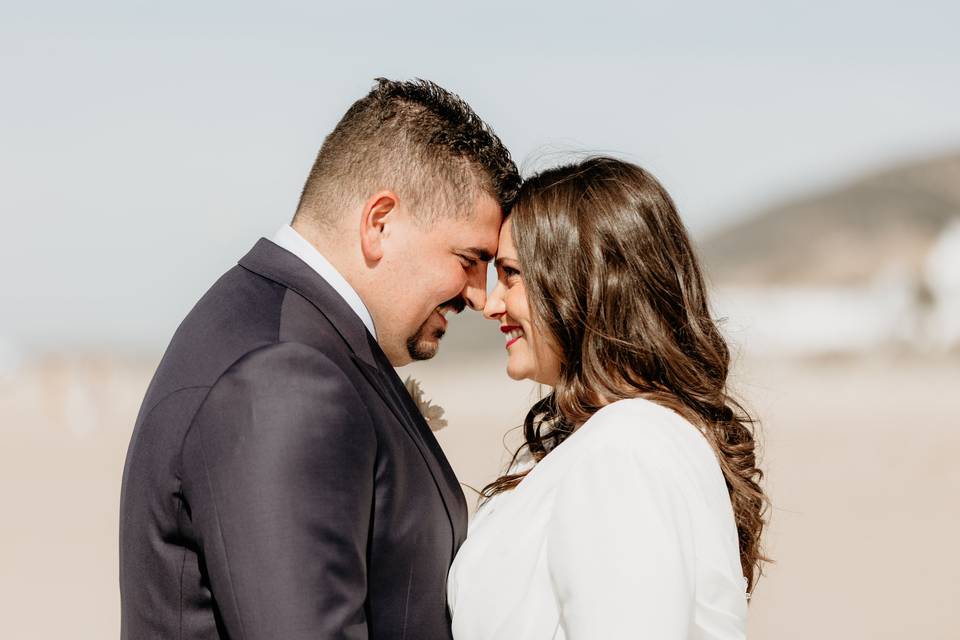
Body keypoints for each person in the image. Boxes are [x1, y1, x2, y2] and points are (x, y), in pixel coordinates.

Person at [119, 78, 520, 639]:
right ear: (379, 222)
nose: (480, 296)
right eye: (469, 258)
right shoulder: (283, 373)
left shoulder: (283, 328)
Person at [447, 157, 768, 639]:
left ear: (581, 281)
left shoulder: (627, 448)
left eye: (511, 274)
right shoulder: (604, 441)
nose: (491, 303)